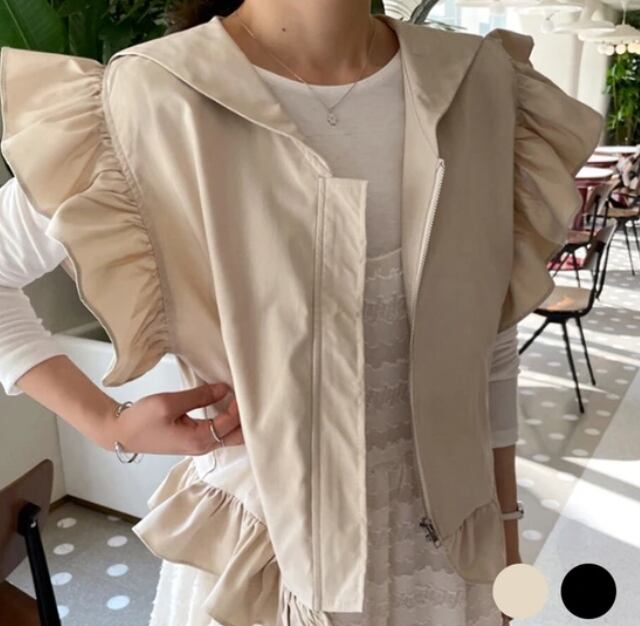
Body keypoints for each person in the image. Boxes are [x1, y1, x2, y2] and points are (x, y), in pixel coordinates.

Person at [0, 1, 602, 625]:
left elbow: (486, 345)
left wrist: (507, 554)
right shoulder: (151, 98)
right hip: (265, 565)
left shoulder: (479, 82)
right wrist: (108, 423)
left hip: (447, 568)